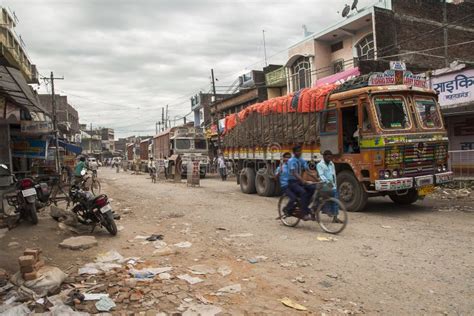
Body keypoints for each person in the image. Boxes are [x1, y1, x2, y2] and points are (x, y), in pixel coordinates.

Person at [287, 145, 316, 220]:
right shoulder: (291, 161)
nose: (299, 153)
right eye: (297, 151)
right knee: (303, 192)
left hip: (299, 181)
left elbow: (308, 170)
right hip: (292, 182)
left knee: (312, 188)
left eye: (300, 151)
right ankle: (303, 213)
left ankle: (305, 205)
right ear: (294, 152)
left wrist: (317, 178)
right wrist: (303, 181)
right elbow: (294, 173)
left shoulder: (301, 160)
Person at [316, 150, 342, 222]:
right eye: (328, 157)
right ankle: (318, 213)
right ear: (324, 156)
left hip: (332, 186)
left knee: (336, 201)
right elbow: (321, 176)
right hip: (324, 186)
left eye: (330, 157)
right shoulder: (319, 165)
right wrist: (327, 183)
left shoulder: (331, 164)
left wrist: (334, 185)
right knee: (322, 201)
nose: (329, 159)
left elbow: (334, 175)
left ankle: (335, 217)